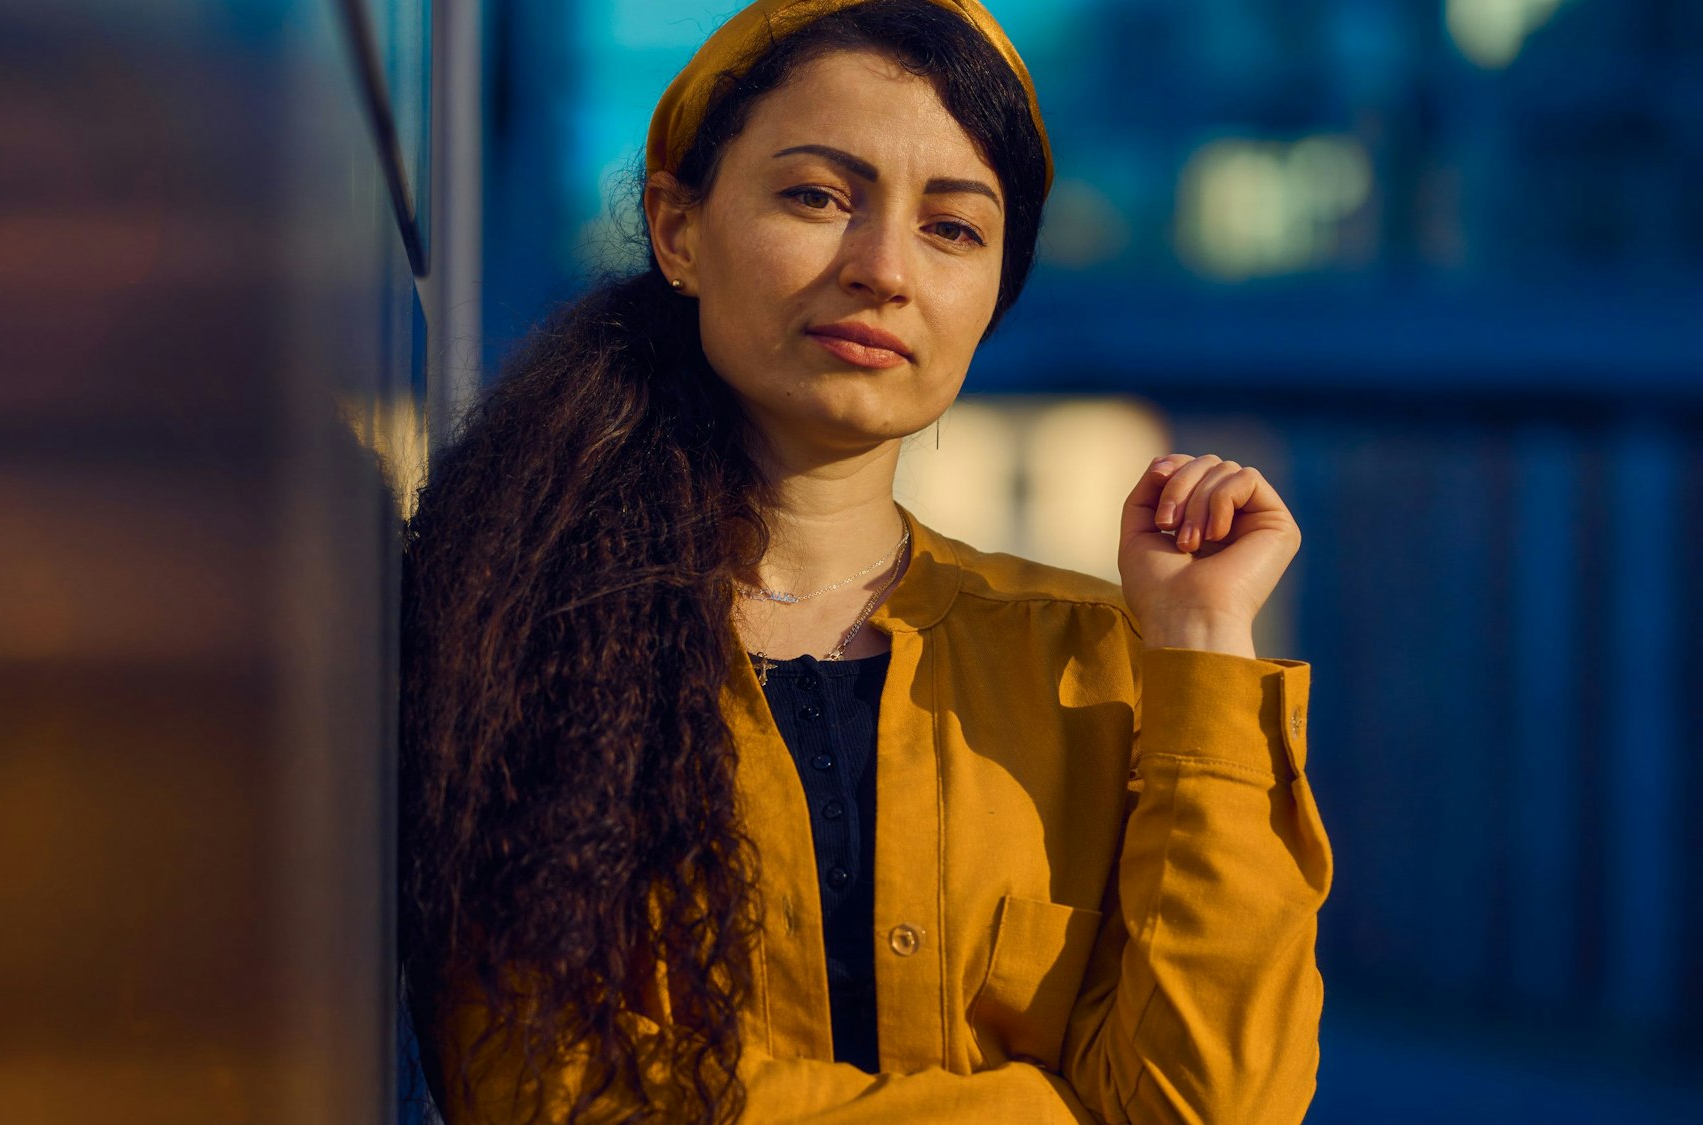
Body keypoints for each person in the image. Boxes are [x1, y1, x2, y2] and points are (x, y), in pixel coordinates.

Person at [399, 1, 1332, 1122]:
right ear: (677, 229)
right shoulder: (526, 629)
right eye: (816, 197)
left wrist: (1197, 646)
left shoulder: (1104, 670)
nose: (883, 269)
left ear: (991, 298)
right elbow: (545, 1089)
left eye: (952, 230)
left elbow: (1217, 1102)